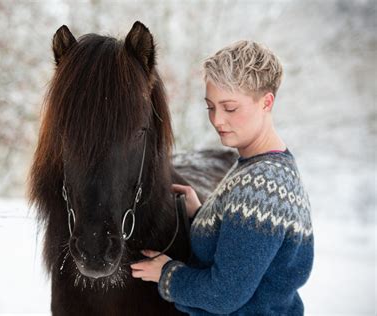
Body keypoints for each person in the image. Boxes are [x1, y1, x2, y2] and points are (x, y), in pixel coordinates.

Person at [130, 40, 314, 315]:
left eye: (230, 108)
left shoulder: (262, 185)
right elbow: (245, 247)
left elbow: (224, 294)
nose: (217, 120)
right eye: (210, 107)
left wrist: (166, 273)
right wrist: (205, 214)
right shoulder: (263, 166)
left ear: (267, 102)